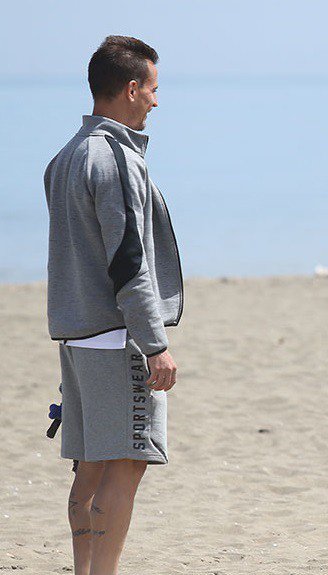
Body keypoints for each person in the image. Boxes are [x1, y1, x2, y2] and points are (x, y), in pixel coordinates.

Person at [44, 35, 182, 575]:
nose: (155, 100)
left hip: (77, 337)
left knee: (91, 467)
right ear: (130, 88)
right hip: (117, 337)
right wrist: (155, 345)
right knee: (127, 463)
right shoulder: (117, 158)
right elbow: (129, 262)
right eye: (152, 88)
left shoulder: (65, 157)